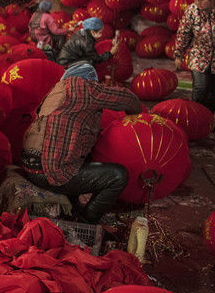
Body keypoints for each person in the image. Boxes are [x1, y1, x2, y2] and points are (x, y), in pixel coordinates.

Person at [19, 63, 142, 224]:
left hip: (32, 166)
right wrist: (136, 121)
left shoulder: (56, 92)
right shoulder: (82, 87)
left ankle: (75, 211)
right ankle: (87, 222)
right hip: (50, 171)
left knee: (81, 158)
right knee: (118, 176)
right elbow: (129, 99)